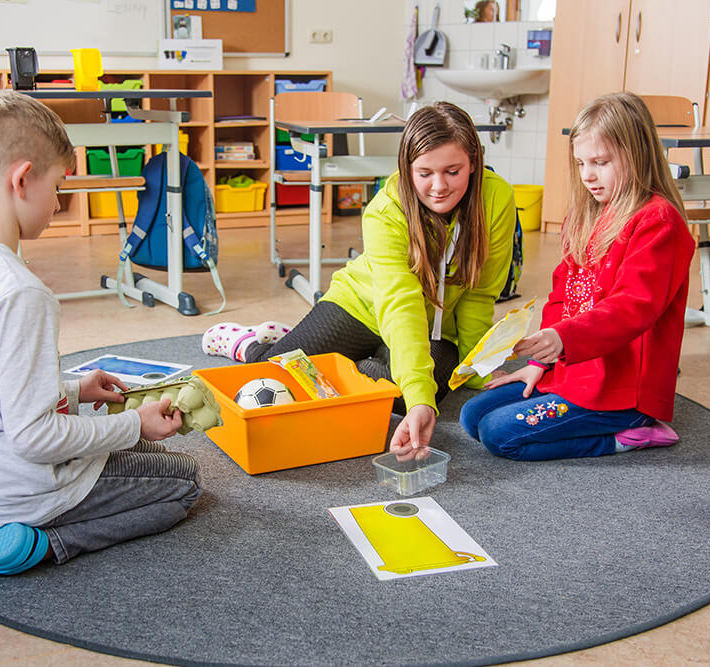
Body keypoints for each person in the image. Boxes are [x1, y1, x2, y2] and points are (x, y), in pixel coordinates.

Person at [0, 90, 201, 575]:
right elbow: (34, 437)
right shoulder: (20, 292)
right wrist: (134, 424)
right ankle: (34, 541)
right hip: (24, 484)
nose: (58, 202)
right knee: (184, 481)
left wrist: (75, 388)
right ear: (23, 179)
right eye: (57, 186)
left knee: (138, 445)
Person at [202, 101, 517, 461]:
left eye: (452, 171)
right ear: (407, 168)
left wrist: (477, 367)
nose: (439, 186)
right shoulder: (385, 210)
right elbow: (400, 304)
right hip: (362, 305)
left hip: (434, 328)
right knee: (280, 379)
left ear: (473, 162)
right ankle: (255, 344)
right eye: (425, 173)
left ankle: (371, 360)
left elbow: (479, 294)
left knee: (406, 399)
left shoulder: (498, 198)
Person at [459, 91, 695, 461]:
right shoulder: (587, 215)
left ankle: (631, 434)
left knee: (497, 434)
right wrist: (539, 364)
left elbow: (631, 308)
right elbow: (561, 296)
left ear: (637, 154)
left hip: (621, 391)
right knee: (472, 415)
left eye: (600, 162)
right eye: (581, 163)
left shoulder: (659, 221)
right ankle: (571, 403)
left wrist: (563, 339)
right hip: (574, 374)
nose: (588, 175)